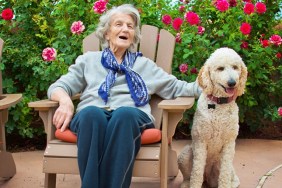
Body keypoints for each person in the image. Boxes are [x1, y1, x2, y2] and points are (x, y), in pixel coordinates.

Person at [47, 4, 201, 188]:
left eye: (130, 26)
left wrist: (213, 87)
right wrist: (65, 101)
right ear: (106, 33)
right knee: (91, 114)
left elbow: (177, 88)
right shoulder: (88, 60)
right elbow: (58, 86)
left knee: (124, 115)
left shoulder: (144, 65)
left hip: (131, 116)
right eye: (118, 24)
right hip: (92, 115)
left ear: (134, 35)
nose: (125, 29)